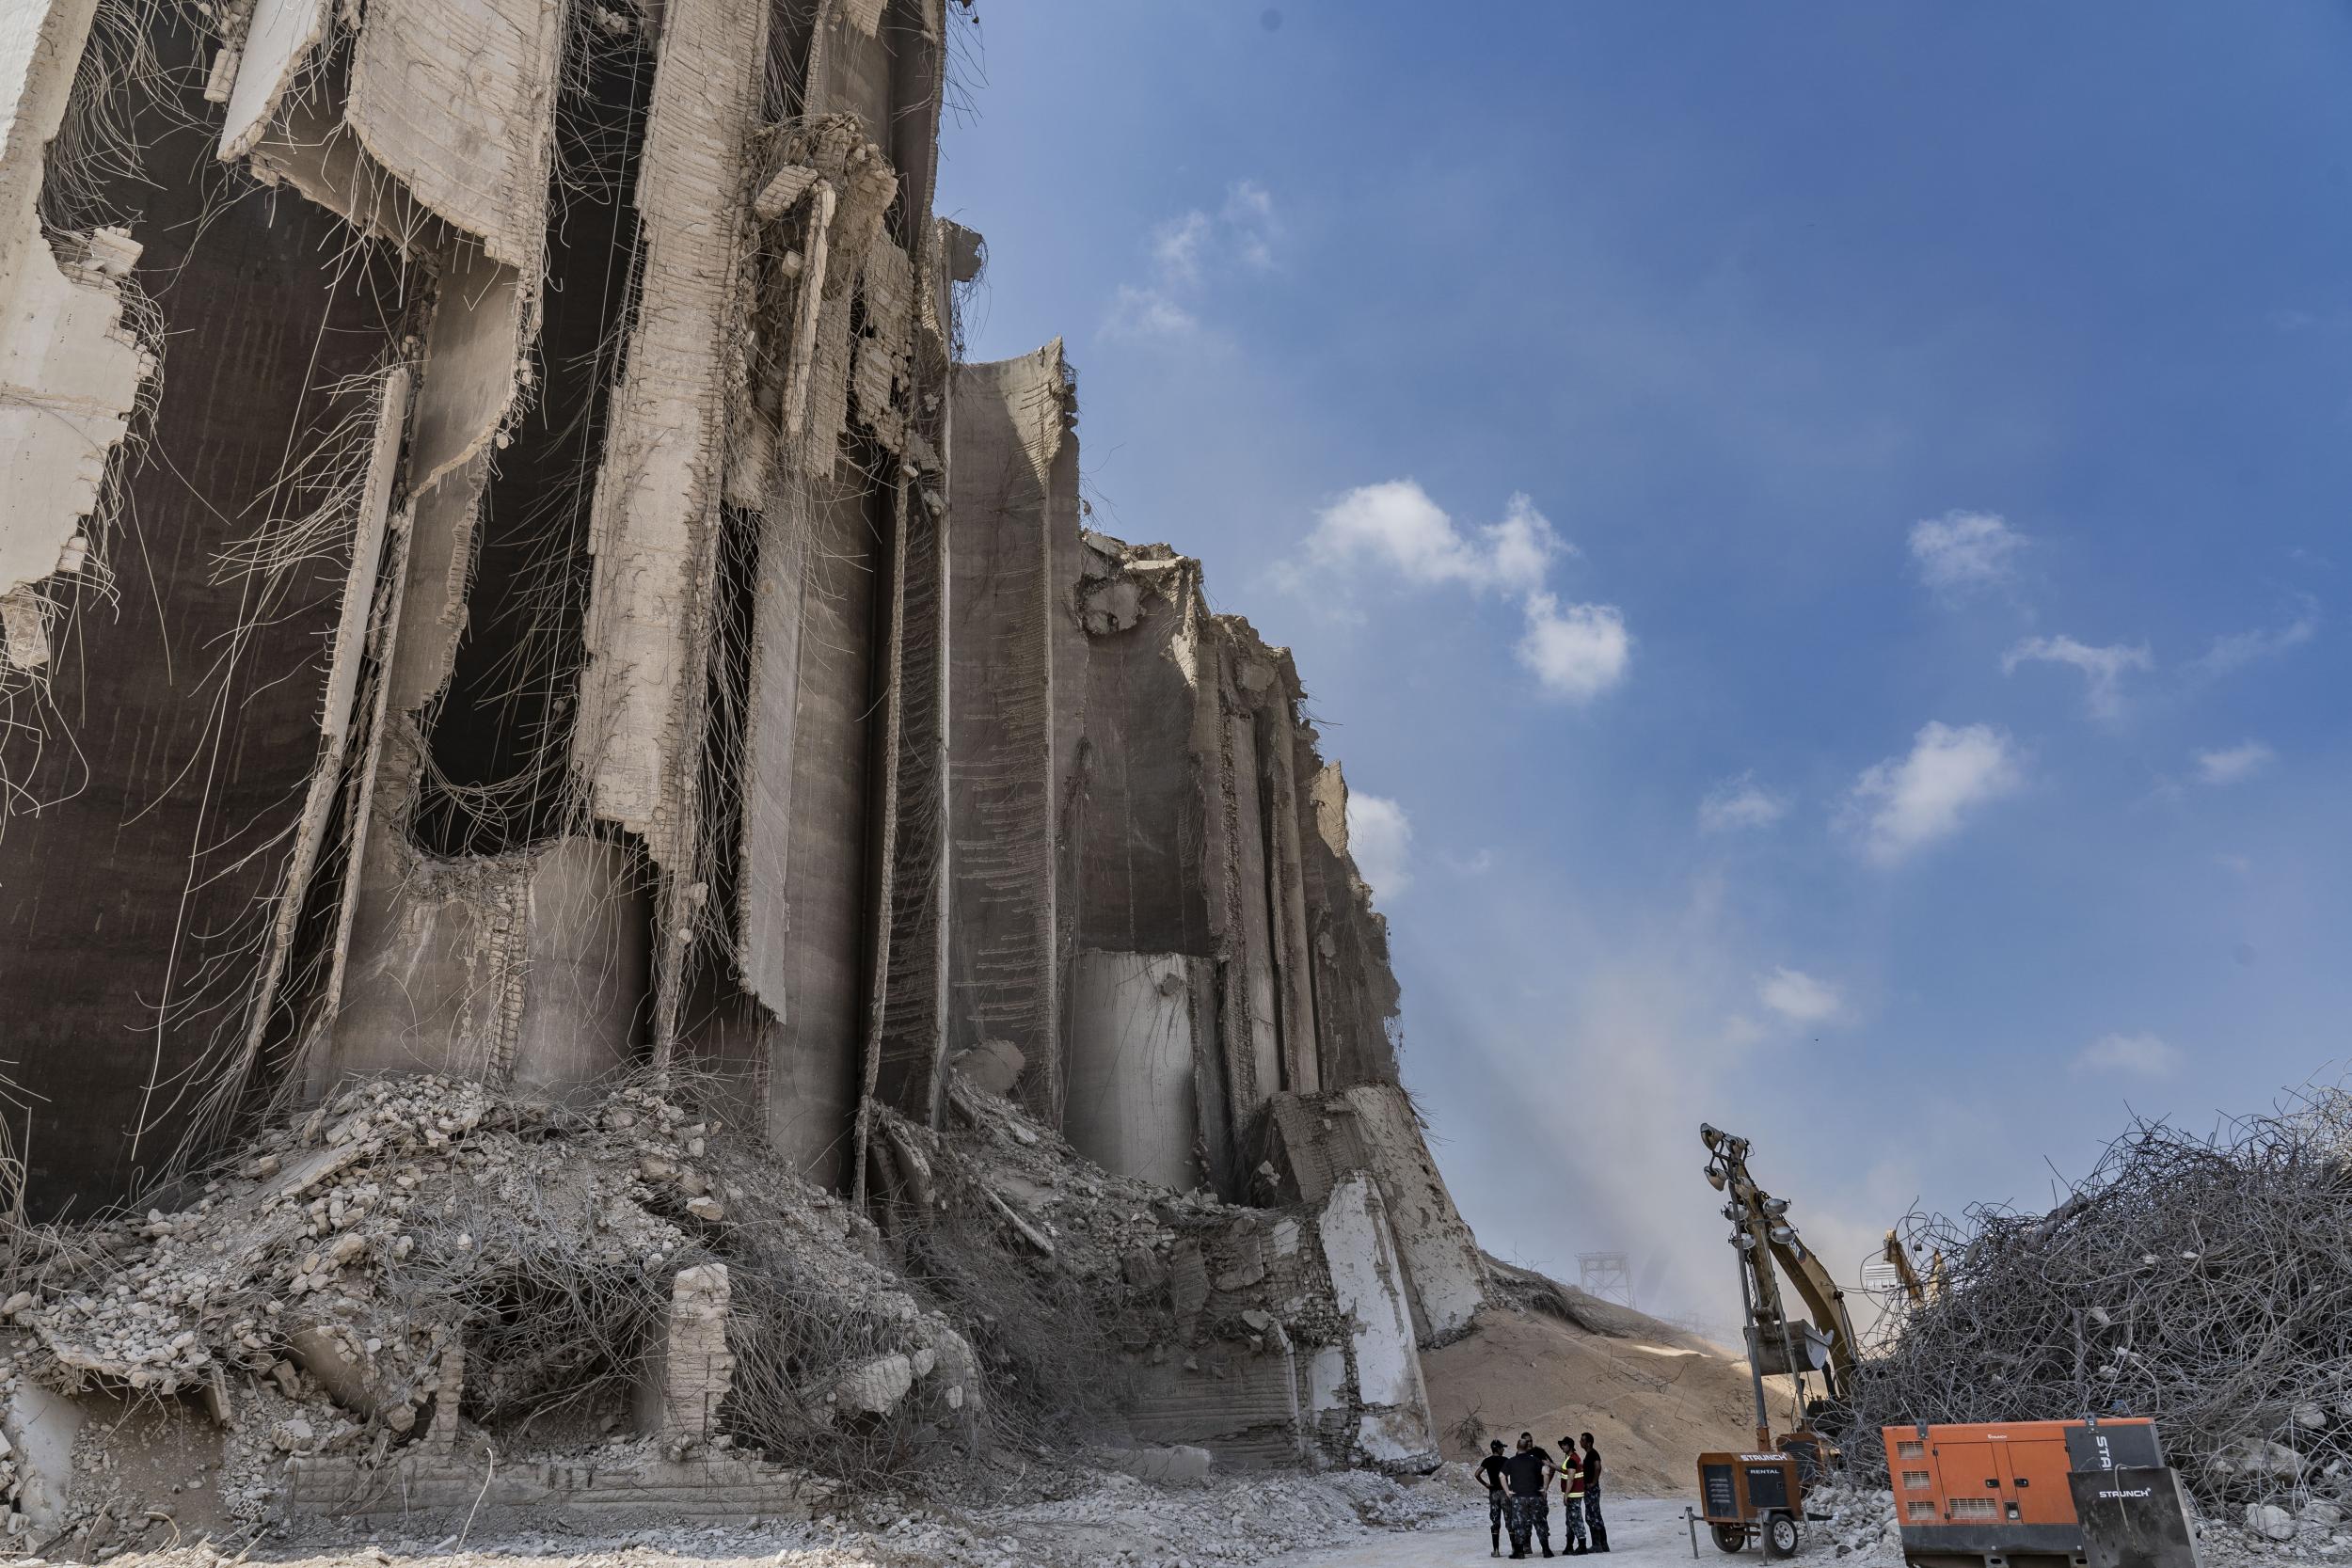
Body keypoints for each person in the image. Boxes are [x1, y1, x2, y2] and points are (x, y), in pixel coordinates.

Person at [1501, 1432, 1558, 1559]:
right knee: (1533, 1522)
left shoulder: (1537, 1453)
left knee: (1525, 1522)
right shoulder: (1533, 1459)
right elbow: (1546, 1471)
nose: (1530, 1443)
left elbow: (1502, 1476)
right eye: (1527, 1441)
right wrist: (1544, 1487)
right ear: (1525, 1445)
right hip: (1535, 1494)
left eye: (1531, 1440)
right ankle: (1534, 1548)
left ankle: (1522, 1551)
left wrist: (1545, 1488)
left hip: (1525, 1495)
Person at [1556, 1434, 1591, 1554]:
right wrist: (1551, 1465)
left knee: (1575, 1519)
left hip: (1573, 1495)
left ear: (1569, 1446)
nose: (1562, 1446)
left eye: (1564, 1444)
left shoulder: (1571, 1460)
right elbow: (1563, 1470)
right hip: (1575, 1494)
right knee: (1570, 1520)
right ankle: (1569, 1546)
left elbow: (1570, 1479)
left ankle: (1582, 1546)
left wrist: (1566, 1494)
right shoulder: (1573, 1458)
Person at [1479, 1439, 1513, 1557]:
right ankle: (1514, 1549)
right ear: (1498, 1449)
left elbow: (1477, 1474)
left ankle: (1496, 1550)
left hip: (1493, 1493)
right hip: (1504, 1492)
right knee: (1509, 1520)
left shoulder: (1487, 1461)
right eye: (1502, 1448)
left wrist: (1486, 1484)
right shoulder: (1506, 1461)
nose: (1503, 1449)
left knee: (1495, 1521)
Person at [1580, 1433, 1610, 1552]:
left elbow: (1598, 1467)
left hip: (1592, 1489)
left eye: (1582, 1440)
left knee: (1591, 1516)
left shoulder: (1593, 1454)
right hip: (1590, 1489)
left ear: (1589, 1443)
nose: (1580, 1442)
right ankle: (1603, 1544)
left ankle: (1597, 1545)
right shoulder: (1590, 1454)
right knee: (1596, 1515)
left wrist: (1593, 1482)